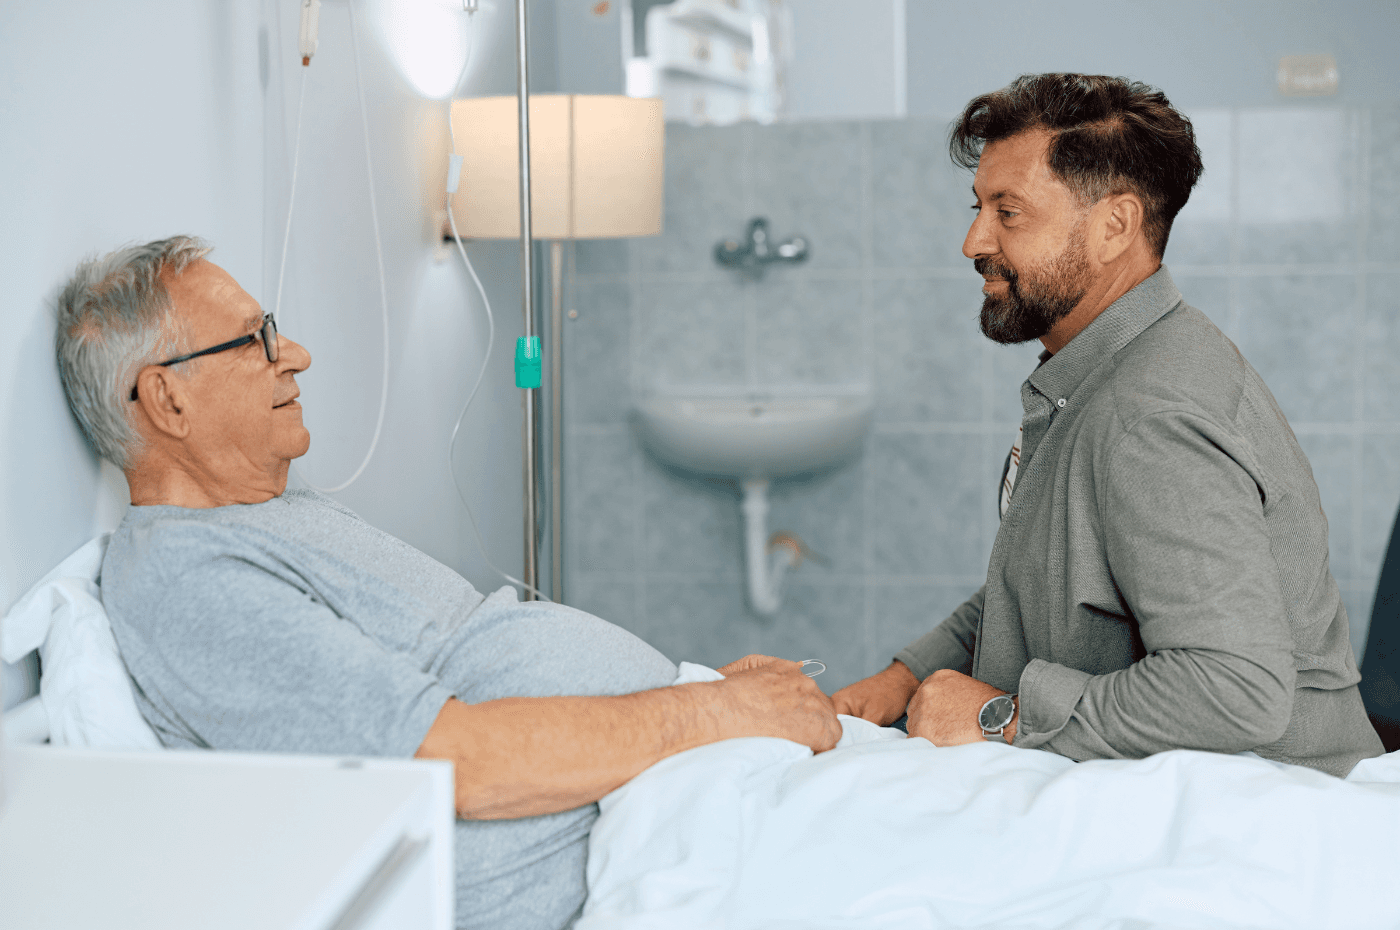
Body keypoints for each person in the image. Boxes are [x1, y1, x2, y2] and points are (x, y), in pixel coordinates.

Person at [54, 237, 841, 930]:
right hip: (592, 859)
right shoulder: (192, 585)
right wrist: (714, 710)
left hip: (650, 794)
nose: (294, 354)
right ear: (167, 398)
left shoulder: (270, 514)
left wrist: (709, 703)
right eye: (253, 340)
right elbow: (461, 763)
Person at [832, 73, 1383, 777]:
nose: (973, 241)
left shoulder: (1149, 416)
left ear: (1113, 227)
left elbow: (1236, 691)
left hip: (1265, 810)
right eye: (979, 208)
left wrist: (1001, 715)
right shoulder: (1101, 376)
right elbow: (1052, 581)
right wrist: (908, 675)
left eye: (1009, 212)